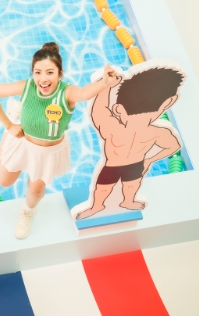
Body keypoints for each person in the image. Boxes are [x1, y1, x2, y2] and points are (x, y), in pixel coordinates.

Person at [0, 42, 120, 239]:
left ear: (60, 74)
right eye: (37, 72)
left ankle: (27, 212)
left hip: (47, 153)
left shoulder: (67, 93)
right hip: (23, 142)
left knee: (36, 188)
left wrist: (104, 82)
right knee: (3, 181)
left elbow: (84, 93)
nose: (43, 79)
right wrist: (9, 125)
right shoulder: (27, 87)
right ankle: (14, 121)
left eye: (49, 72)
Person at [76, 62, 185, 219]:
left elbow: (174, 146)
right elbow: (98, 111)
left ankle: (128, 201)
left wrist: (150, 160)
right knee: (102, 188)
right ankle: (97, 205)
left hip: (136, 164)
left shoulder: (155, 132)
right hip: (112, 166)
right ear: (167, 103)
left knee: (132, 185)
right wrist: (106, 86)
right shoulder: (116, 129)